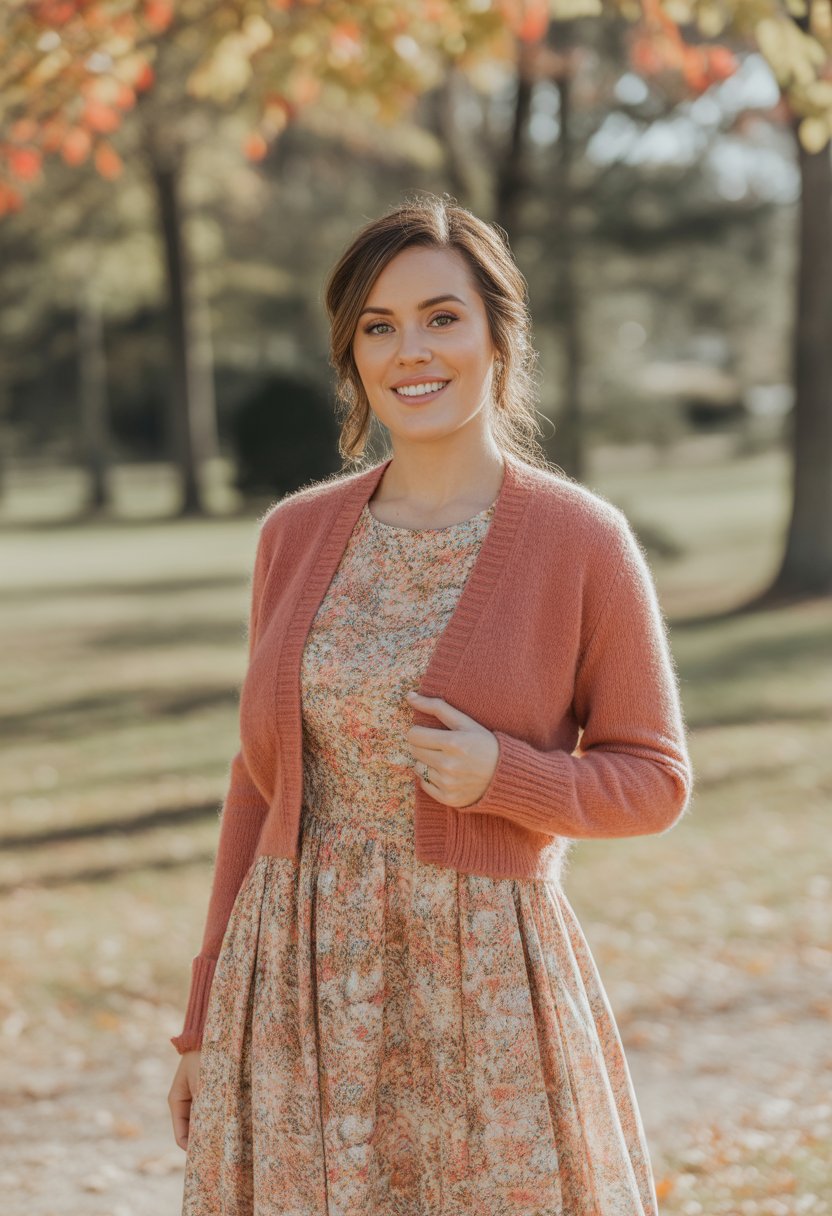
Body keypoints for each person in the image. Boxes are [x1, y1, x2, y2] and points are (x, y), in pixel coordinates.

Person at [167, 192, 693, 1215]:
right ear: (352, 353)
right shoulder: (295, 535)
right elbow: (255, 782)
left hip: (487, 983)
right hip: (295, 985)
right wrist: (201, 1024)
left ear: (500, 333)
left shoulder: (579, 539)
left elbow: (655, 777)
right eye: (379, 324)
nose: (411, 349)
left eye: (442, 316)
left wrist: (512, 777)